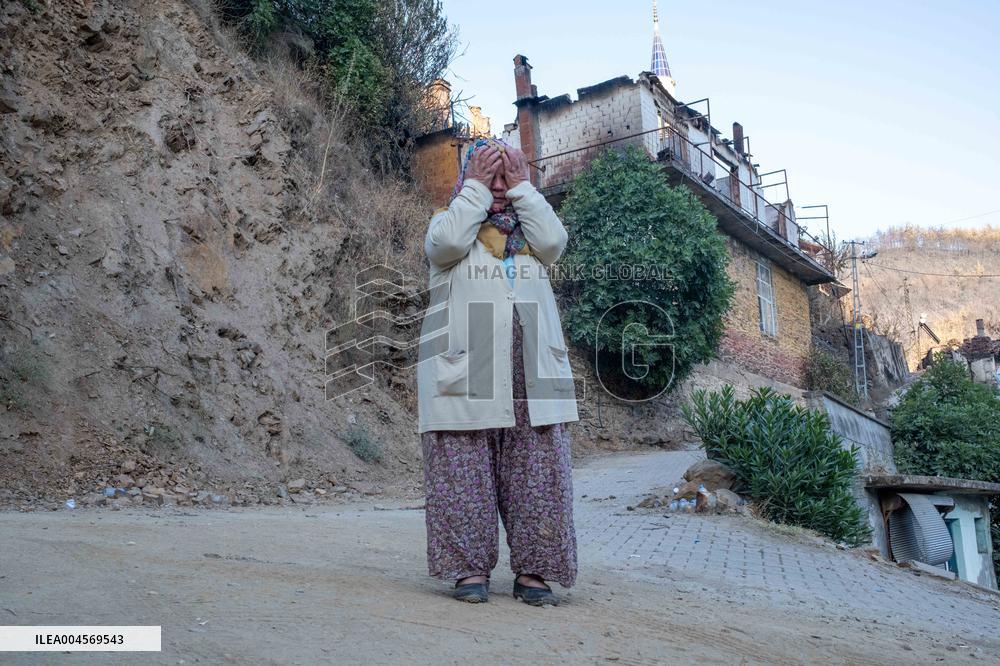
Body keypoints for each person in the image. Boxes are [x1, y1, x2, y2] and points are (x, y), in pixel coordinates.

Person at [416, 138, 579, 606]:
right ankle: (469, 569)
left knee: (538, 472)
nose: (500, 188)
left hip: (534, 370)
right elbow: (446, 246)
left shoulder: (532, 235)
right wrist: (476, 188)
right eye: (491, 176)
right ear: (467, 180)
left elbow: (555, 242)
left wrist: (523, 187)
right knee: (463, 470)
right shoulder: (448, 227)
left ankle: (536, 572)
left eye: (507, 177)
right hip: (467, 371)